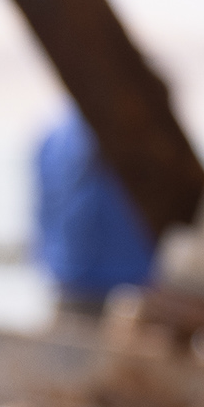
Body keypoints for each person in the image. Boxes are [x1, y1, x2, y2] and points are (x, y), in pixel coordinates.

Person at [29, 104, 155, 321]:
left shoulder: (53, 137)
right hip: (125, 291)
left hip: (69, 283)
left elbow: (43, 213)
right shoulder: (139, 140)